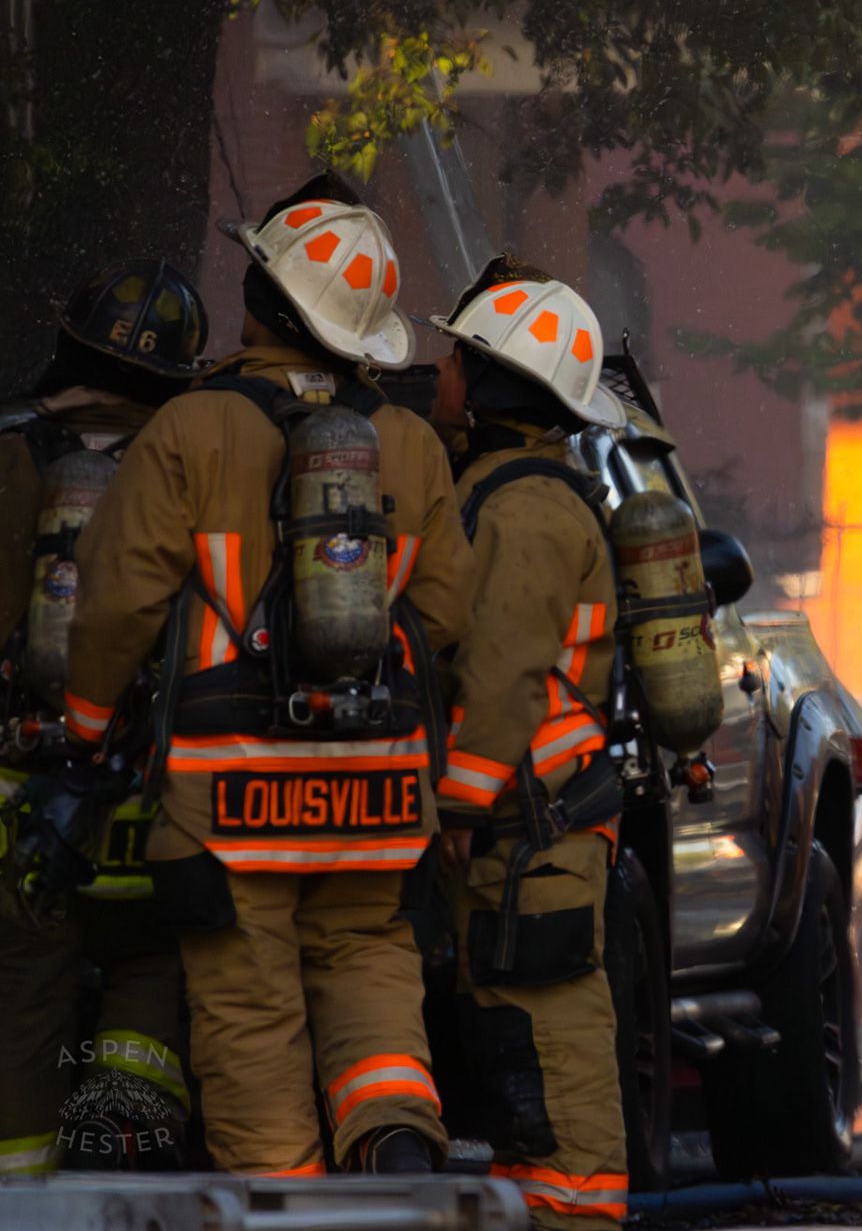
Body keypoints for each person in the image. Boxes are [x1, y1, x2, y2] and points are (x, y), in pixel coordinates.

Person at [61, 173, 473, 1176]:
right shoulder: (411, 444)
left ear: (262, 301)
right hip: (377, 791)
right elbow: (450, 610)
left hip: (228, 797)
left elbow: (116, 599)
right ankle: (396, 1140)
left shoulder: (192, 429)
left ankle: (285, 1193)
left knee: (250, 1011)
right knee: (372, 968)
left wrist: (82, 725)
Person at [427, 255, 630, 1228]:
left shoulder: (525, 509)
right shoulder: (512, 491)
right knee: (517, 1037)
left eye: (459, 360)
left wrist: (459, 803)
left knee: (551, 1031)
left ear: (499, 380)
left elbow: (504, 674)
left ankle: (577, 1214)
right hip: (529, 827)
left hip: (529, 830)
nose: (441, 377)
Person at [0, 260, 209, 1174]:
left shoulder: (9, 451)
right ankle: (120, 1163)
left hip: (22, 799)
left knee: (25, 987)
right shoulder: (194, 463)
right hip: (147, 800)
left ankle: (19, 1179)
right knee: (151, 971)